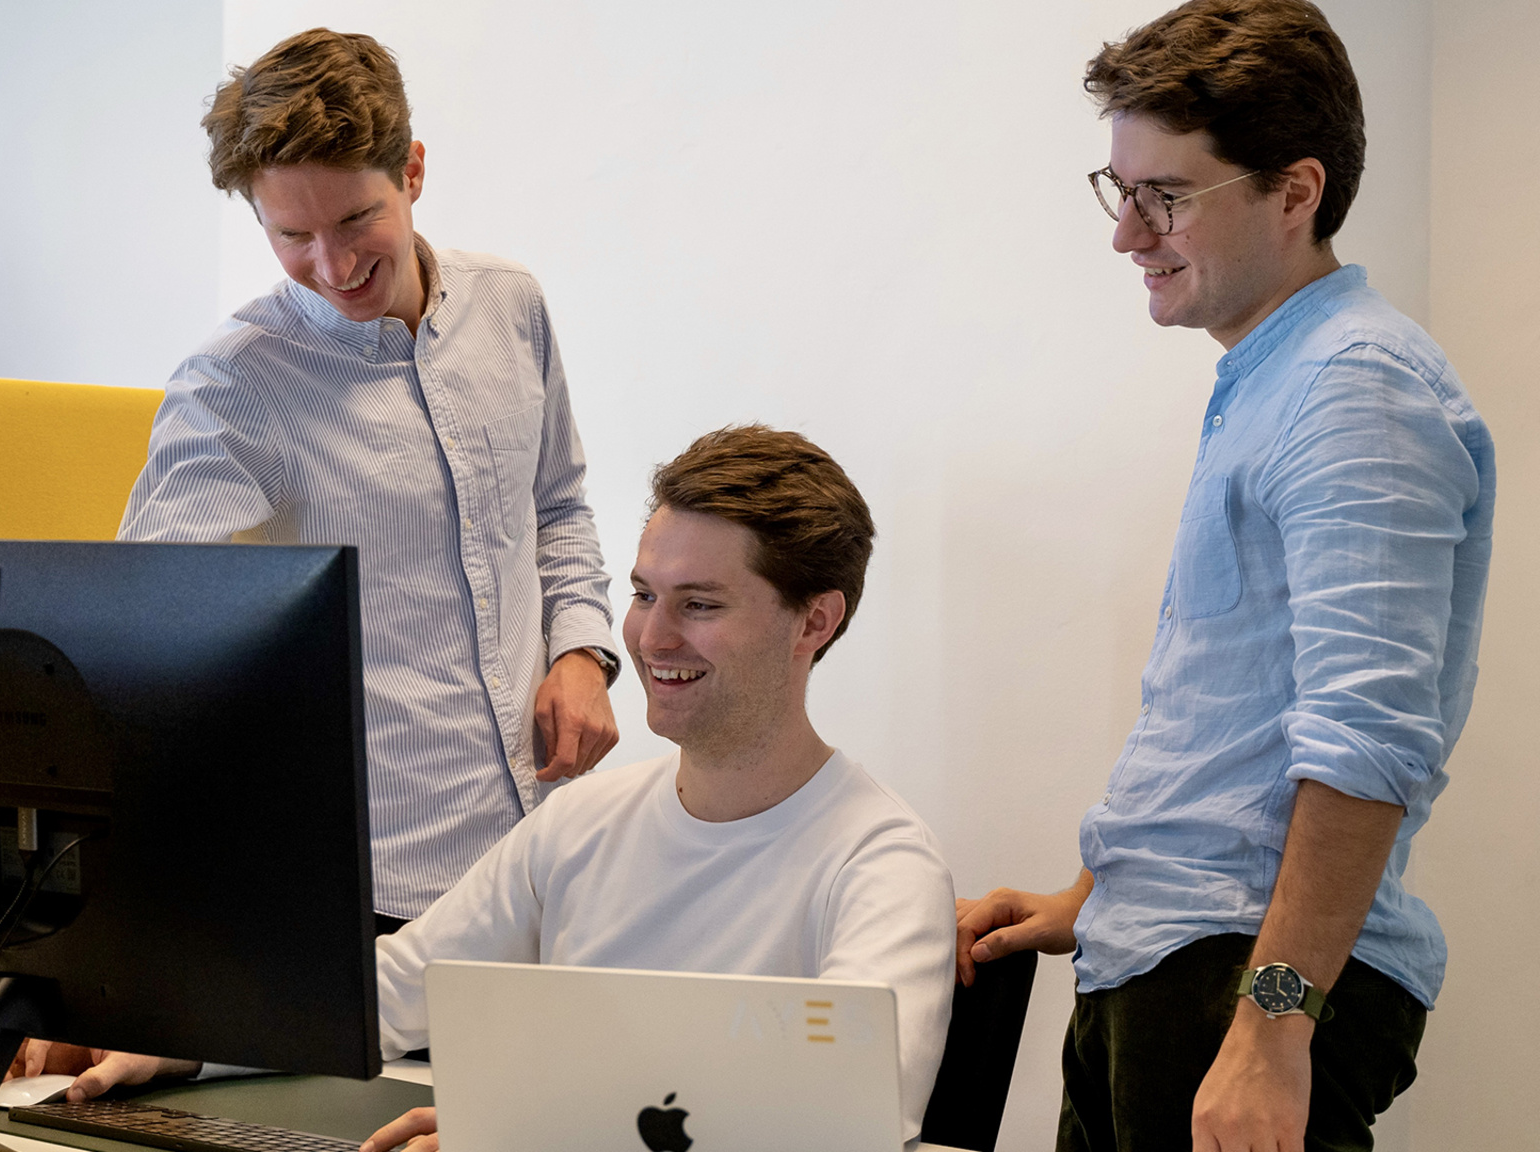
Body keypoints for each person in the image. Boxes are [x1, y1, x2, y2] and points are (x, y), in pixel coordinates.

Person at [13, 25, 619, 1097]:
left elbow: (556, 503)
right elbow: (135, 646)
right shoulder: (231, 384)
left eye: (356, 221)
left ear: (413, 171)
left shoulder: (511, 307)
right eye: (290, 234)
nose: (331, 266)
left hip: (540, 863)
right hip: (367, 890)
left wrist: (581, 651)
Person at [954, 3, 1495, 1150]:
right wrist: (1093, 899)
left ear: (1293, 191)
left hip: (1234, 994)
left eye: (1166, 196)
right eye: (1119, 191)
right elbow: (1230, 728)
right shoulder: (1274, 378)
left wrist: (1271, 1027)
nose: (1127, 235)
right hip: (1170, 963)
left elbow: (1363, 738)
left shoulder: (1355, 391)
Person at [361, 426, 957, 1152]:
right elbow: (389, 994)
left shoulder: (882, 865)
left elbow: (842, 1129)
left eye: (700, 605)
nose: (651, 638)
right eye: (645, 594)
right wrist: (199, 1032)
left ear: (814, 620)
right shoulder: (581, 822)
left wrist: (523, 1136)